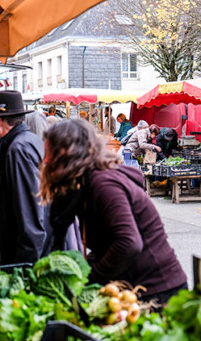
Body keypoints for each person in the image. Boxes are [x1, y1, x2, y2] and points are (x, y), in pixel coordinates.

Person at [39, 119, 188, 306]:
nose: (45, 161)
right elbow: (106, 243)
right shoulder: (86, 183)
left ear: (66, 152)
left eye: (49, 152)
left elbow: (129, 243)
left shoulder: (103, 183)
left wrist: (89, 279)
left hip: (157, 291)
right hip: (133, 288)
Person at [0, 90, 52, 265]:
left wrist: (23, 272)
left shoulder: (18, 149)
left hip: (28, 262)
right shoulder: (29, 141)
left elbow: (31, 220)